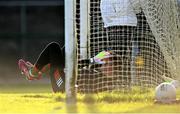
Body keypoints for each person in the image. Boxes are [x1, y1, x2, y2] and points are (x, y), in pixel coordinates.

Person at [18, 42, 113, 93]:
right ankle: (37, 72)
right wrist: (92, 60)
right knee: (67, 48)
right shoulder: (97, 73)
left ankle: (32, 73)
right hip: (63, 79)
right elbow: (74, 67)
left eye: (107, 64)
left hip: (62, 86)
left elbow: (87, 89)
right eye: (105, 63)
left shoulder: (106, 83)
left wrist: (77, 89)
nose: (104, 65)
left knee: (54, 46)